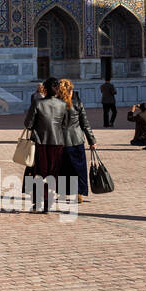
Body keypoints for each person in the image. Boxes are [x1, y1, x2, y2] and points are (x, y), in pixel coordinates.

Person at [24, 76, 68, 213]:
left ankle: (37, 203)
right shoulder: (62, 105)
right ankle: (48, 203)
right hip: (57, 142)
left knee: (39, 173)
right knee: (53, 173)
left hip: (40, 142)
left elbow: (28, 124)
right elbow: (65, 125)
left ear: (45, 88)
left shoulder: (38, 103)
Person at [58, 79, 95, 203]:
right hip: (77, 139)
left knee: (63, 168)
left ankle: (63, 192)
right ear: (71, 90)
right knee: (78, 168)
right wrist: (91, 140)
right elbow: (85, 123)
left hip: (60, 140)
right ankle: (79, 193)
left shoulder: (56, 104)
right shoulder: (78, 103)